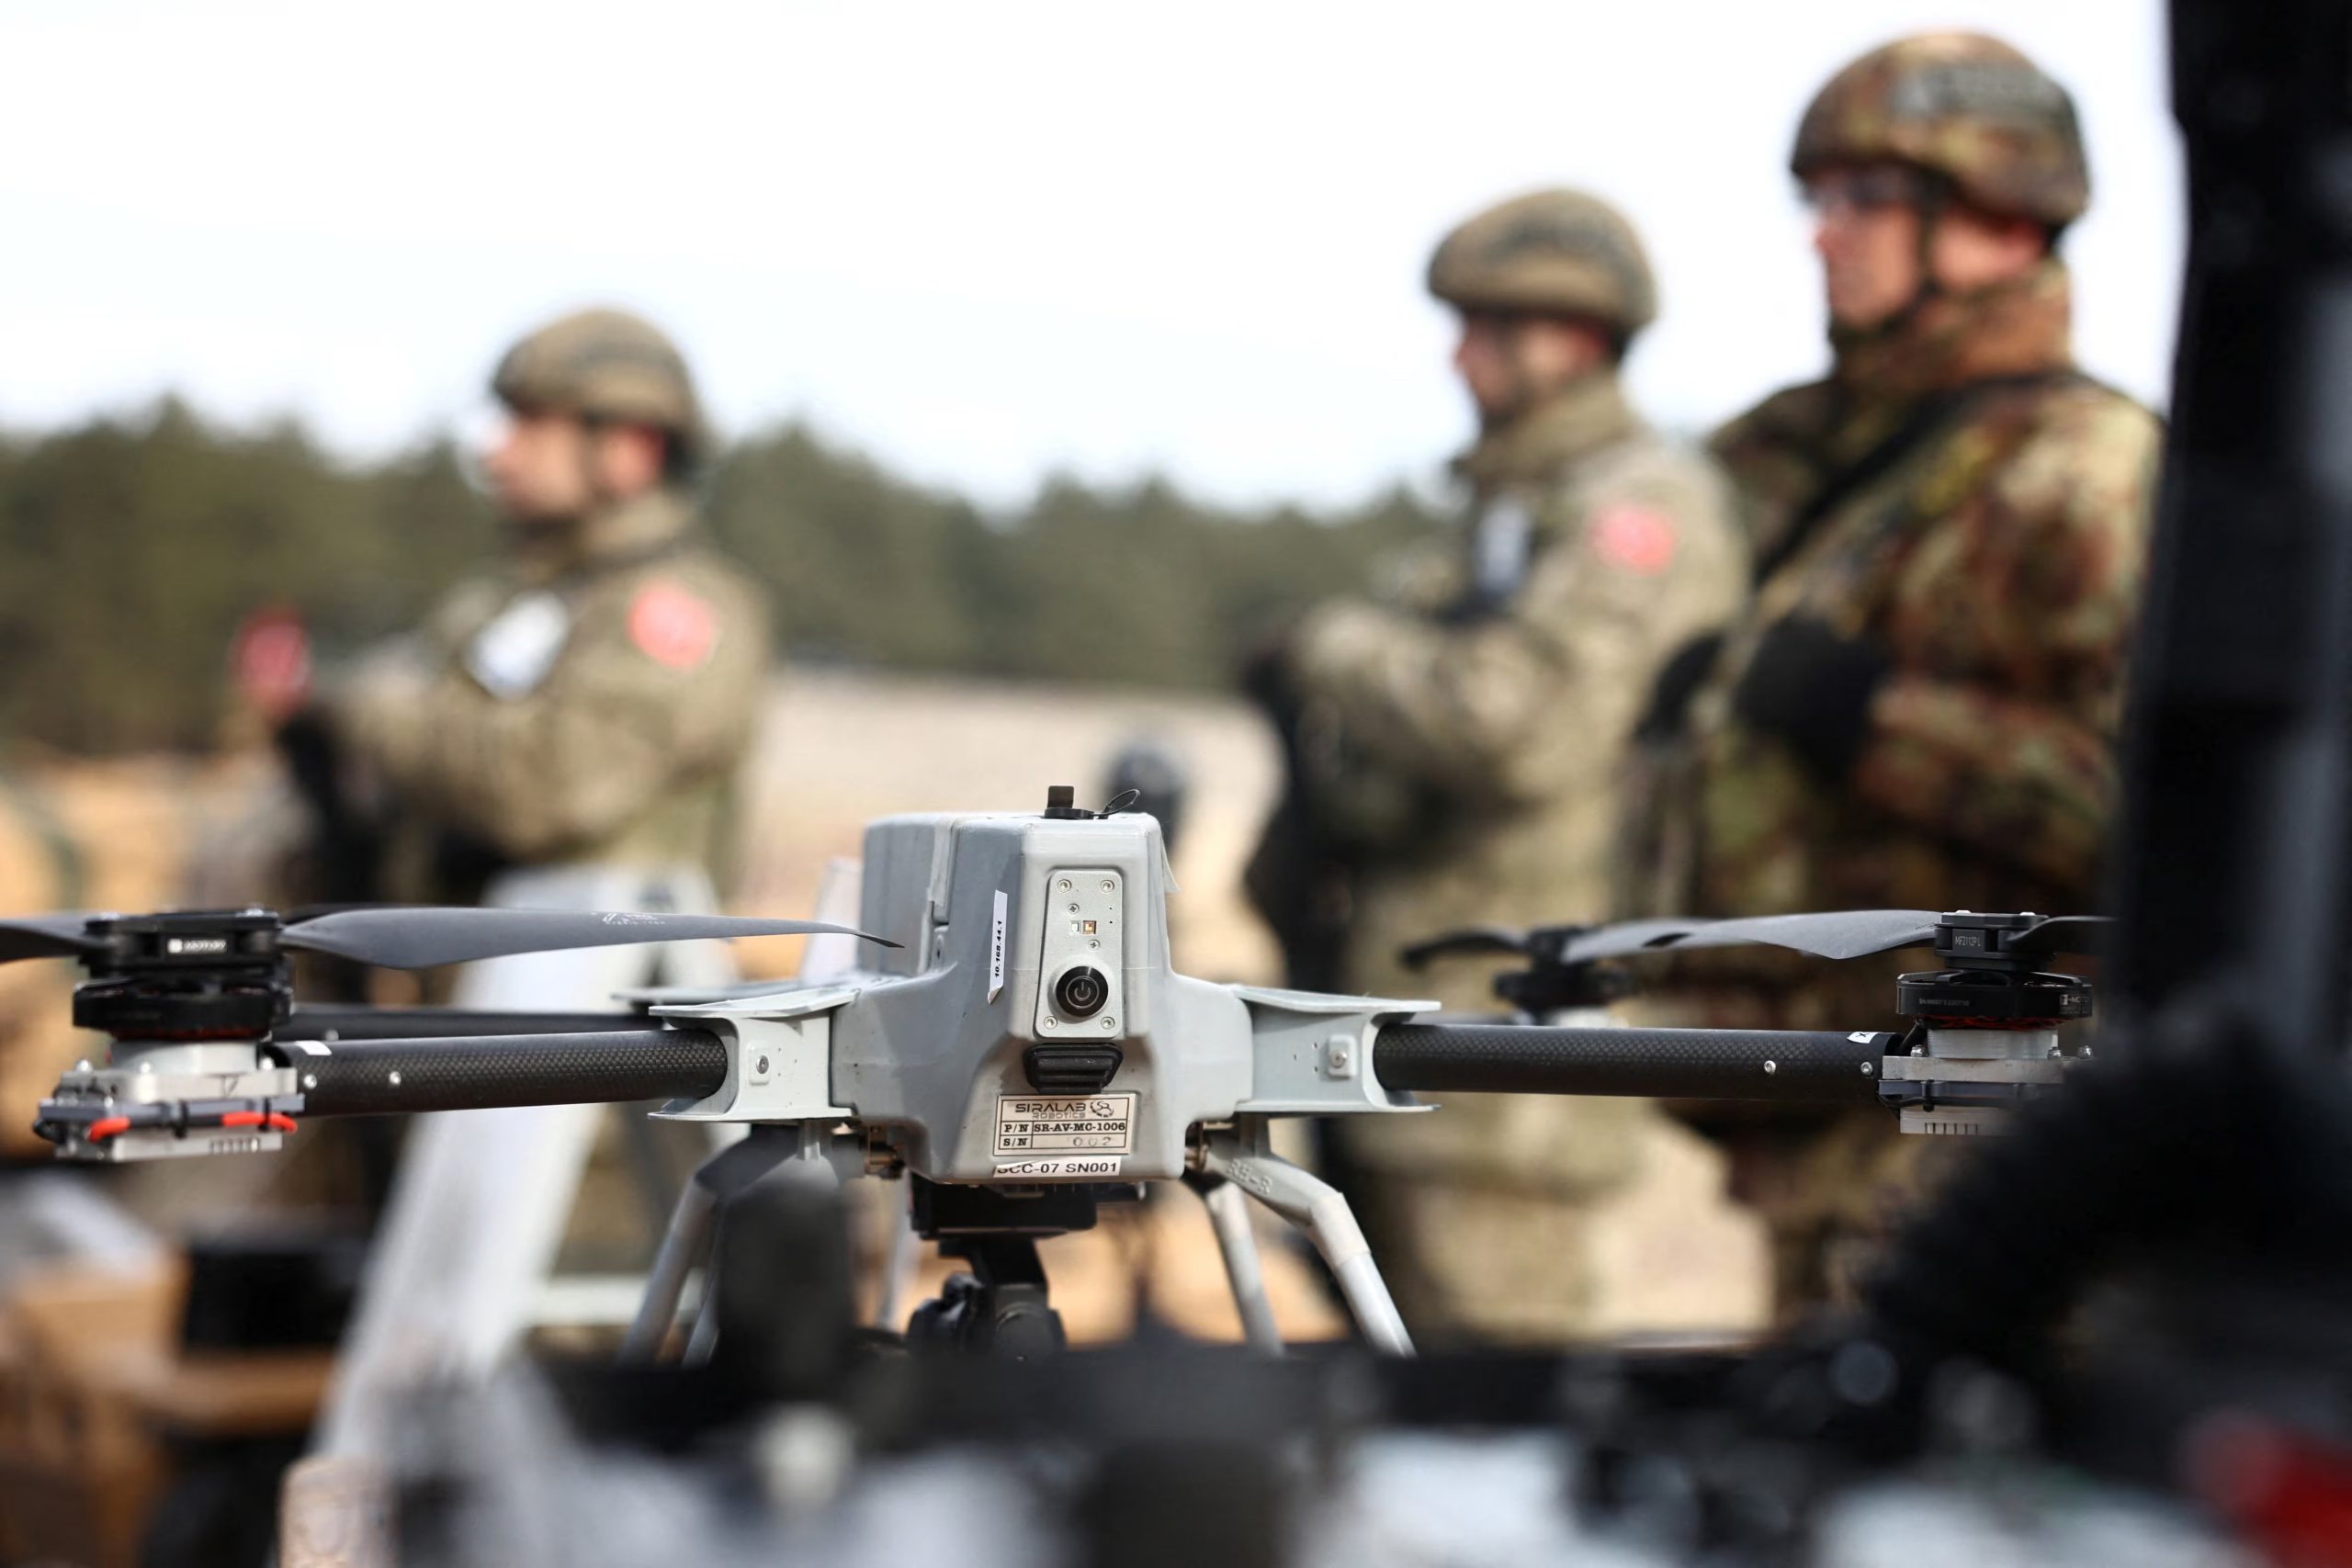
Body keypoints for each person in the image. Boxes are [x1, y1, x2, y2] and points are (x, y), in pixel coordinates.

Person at [1619, 32, 2164, 1314]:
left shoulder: (2084, 472)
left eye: (1865, 198)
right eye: (1819, 199)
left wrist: (1872, 720)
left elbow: (2158, 819)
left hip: (1977, 1113)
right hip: (1827, 1105)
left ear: (1999, 215)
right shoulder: (1830, 460)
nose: (1826, 234)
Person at [1245, 188, 1747, 1342]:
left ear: (1573, 340)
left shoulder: (1638, 510)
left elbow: (1518, 728)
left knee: (1500, 1393)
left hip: (1512, 1080)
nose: (1458, 357)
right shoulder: (1510, 510)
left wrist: (1330, 650)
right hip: (1419, 1048)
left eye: (1490, 328)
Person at [313, 307, 768, 905]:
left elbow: (548, 784)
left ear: (630, 448)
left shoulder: (682, 608)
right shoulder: (508, 594)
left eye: (530, 425)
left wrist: (369, 711)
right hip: (457, 956)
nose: (496, 453)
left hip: (600, 959)